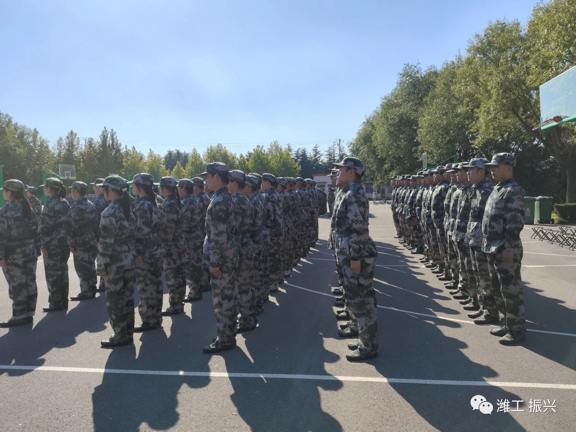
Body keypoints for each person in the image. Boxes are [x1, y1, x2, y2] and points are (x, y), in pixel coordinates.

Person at [332, 157, 379, 362]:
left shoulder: (354, 194)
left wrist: (355, 257)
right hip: (348, 251)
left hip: (355, 253)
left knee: (362, 300)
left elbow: (359, 230)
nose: (338, 173)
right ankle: (361, 336)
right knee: (354, 297)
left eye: (341, 169)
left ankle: (368, 346)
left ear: (351, 172)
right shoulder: (348, 192)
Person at [481, 153, 526, 345]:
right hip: (492, 247)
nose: (492, 170)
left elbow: (514, 222)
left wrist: (508, 247)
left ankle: (517, 330)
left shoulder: (512, 190)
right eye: (491, 167)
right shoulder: (497, 189)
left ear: (508, 168)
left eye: (496, 166)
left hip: (506, 248)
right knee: (498, 289)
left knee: (511, 291)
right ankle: (506, 324)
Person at [200, 162, 238, 353]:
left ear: (216, 176)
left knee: (223, 300)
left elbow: (219, 235)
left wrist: (214, 262)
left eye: (207, 176)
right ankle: (226, 334)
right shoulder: (221, 197)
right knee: (226, 297)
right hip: (226, 256)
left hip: (221, 259)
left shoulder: (221, 200)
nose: (205, 180)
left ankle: (225, 339)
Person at [98, 175, 137, 348]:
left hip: (114, 262)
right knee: (127, 298)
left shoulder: (109, 212)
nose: (102, 191)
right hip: (128, 258)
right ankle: (128, 333)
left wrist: (101, 267)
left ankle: (120, 336)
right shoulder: (128, 208)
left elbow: (105, 244)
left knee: (115, 301)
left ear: (111, 190)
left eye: (104, 188)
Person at [0, 180, 40, 327]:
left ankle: (19, 316)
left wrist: (1, 257)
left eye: (4, 190)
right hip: (29, 249)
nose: (3, 193)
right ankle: (29, 313)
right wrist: (36, 248)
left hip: (13, 253)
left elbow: (2, 236)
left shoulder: (5, 211)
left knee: (17, 284)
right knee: (30, 282)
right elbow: (36, 230)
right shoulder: (28, 208)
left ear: (9, 192)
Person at [131, 173, 165, 332]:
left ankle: (149, 319)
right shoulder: (154, 202)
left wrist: (137, 253)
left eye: (133, 185)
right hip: (156, 249)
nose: (132, 188)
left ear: (140, 186)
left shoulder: (143, 205)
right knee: (156, 284)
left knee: (146, 286)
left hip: (146, 251)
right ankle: (155, 317)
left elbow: (141, 231)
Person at [228, 170, 257, 332]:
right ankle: (248, 317)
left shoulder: (237, 201)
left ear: (234, 183)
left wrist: (236, 253)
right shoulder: (244, 199)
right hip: (247, 245)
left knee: (241, 287)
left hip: (241, 248)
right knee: (245, 285)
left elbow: (236, 230)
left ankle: (247, 320)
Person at [39, 177, 71, 312]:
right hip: (64, 242)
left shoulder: (50, 204)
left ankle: (56, 303)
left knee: (53, 275)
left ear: (49, 188)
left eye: (45, 187)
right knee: (63, 272)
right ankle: (63, 301)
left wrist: (44, 245)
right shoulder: (65, 203)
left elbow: (46, 227)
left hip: (52, 243)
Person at [66, 181, 99, 301]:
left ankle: (86, 291)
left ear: (75, 191)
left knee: (82, 267)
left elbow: (72, 227)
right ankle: (91, 288)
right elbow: (96, 222)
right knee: (90, 265)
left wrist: (71, 243)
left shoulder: (76, 206)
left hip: (80, 242)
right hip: (91, 239)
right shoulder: (90, 204)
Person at [159, 176, 187, 316]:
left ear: (164, 188)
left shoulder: (170, 204)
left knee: (173, 276)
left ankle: (175, 305)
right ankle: (178, 303)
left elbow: (167, 230)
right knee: (179, 275)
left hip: (172, 246)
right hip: (177, 244)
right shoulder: (173, 202)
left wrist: (162, 246)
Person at [184, 177, 211, 301]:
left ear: (196, 186)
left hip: (196, 233)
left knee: (193, 263)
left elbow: (196, 218)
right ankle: (204, 283)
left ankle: (195, 290)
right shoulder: (205, 198)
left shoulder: (199, 199)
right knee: (201, 260)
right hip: (202, 233)